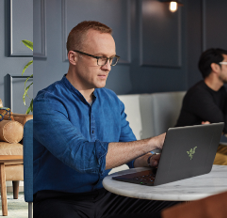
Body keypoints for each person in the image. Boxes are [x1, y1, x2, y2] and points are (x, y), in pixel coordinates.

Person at [33, 21, 180, 218]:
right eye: (100, 58)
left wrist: (151, 159)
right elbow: (81, 156)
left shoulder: (112, 100)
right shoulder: (48, 102)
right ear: (73, 57)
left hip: (106, 195)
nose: (108, 67)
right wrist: (152, 142)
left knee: (179, 204)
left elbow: (133, 153)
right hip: (60, 201)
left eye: (111, 59)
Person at [175, 48, 227, 165]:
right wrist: (222, 128)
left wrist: (220, 127)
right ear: (215, 67)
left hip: (205, 145)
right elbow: (223, 123)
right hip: (186, 149)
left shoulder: (221, 91)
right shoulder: (198, 94)